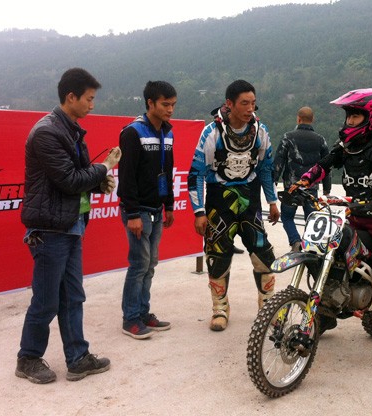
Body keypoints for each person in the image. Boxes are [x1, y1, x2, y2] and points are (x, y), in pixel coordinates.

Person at [291, 88, 372, 366]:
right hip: (353, 216)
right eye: (349, 116)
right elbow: (324, 165)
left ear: (371, 117)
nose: (350, 121)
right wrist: (304, 181)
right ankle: (327, 314)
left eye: (355, 116)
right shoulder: (346, 145)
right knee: (329, 256)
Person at [17, 68, 121, 384]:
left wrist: (98, 183)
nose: (92, 104)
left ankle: (78, 358)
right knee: (46, 300)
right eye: (88, 99)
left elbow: (77, 179)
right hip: (50, 229)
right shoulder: (47, 132)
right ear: (71, 97)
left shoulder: (72, 131)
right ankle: (28, 358)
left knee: (73, 297)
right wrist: (105, 167)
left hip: (71, 225)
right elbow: (69, 180)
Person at [187, 79, 280, 331]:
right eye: (244, 103)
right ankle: (220, 308)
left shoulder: (260, 131)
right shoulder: (212, 133)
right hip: (219, 200)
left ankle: (268, 306)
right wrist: (199, 212)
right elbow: (195, 174)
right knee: (217, 255)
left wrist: (272, 201)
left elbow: (266, 169)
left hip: (250, 199)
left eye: (253, 103)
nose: (250, 108)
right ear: (229, 104)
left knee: (262, 254)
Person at [117, 81, 177, 339]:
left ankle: (143, 313)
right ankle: (130, 319)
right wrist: (132, 214)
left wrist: (169, 205)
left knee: (150, 263)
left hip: (157, 208)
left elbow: (168, 170)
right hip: (138, 210)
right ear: (150, 103)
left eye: (173, 105)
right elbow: (126, 175)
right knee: (139, 264)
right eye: (165, 104)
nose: (170, 110)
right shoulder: (133, 132)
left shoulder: (168, 132)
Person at [273, 106, 331, 252]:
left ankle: (295, 242)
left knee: (287, 217)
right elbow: (326, 166)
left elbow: (279, 161)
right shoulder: (320, 140)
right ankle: (309, 247)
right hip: (311, 188)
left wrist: (273, 181)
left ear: (298, 119)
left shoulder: (288, 137)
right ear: (312, 119)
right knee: (311, 219)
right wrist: (327, 188)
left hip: (291, 187)